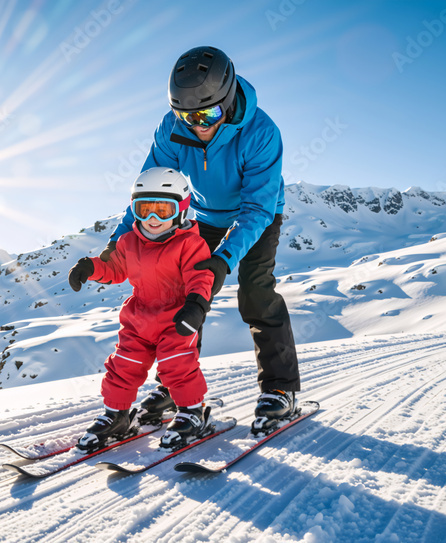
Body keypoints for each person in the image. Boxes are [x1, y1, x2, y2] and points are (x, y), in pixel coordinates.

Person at [100, 46, 301, 431]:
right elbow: (148, 193)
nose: (198, 125)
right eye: (187, 116)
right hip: (205, 215)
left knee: (255, 291)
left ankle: (280, 388)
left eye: (207, 114)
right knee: (182, 296)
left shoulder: (261, 132)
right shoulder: (172, 130)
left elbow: (256, 209)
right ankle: (175, 386)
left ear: (227, 100)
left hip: (256, 214)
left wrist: (224, 260)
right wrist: (115, 244)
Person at [69, 167, 216, 451]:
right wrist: (91, 267)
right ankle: (117, 414)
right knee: (123, 365)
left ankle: (192, 412)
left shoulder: (190, 244)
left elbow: (201, 278)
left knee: (177, 365)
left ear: (181, 209)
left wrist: (196, 306)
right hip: (138, 318)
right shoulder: (129, 242)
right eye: (144, 209)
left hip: (176, 318)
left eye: (162, 210)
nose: (152, 219)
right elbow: (114, 270)